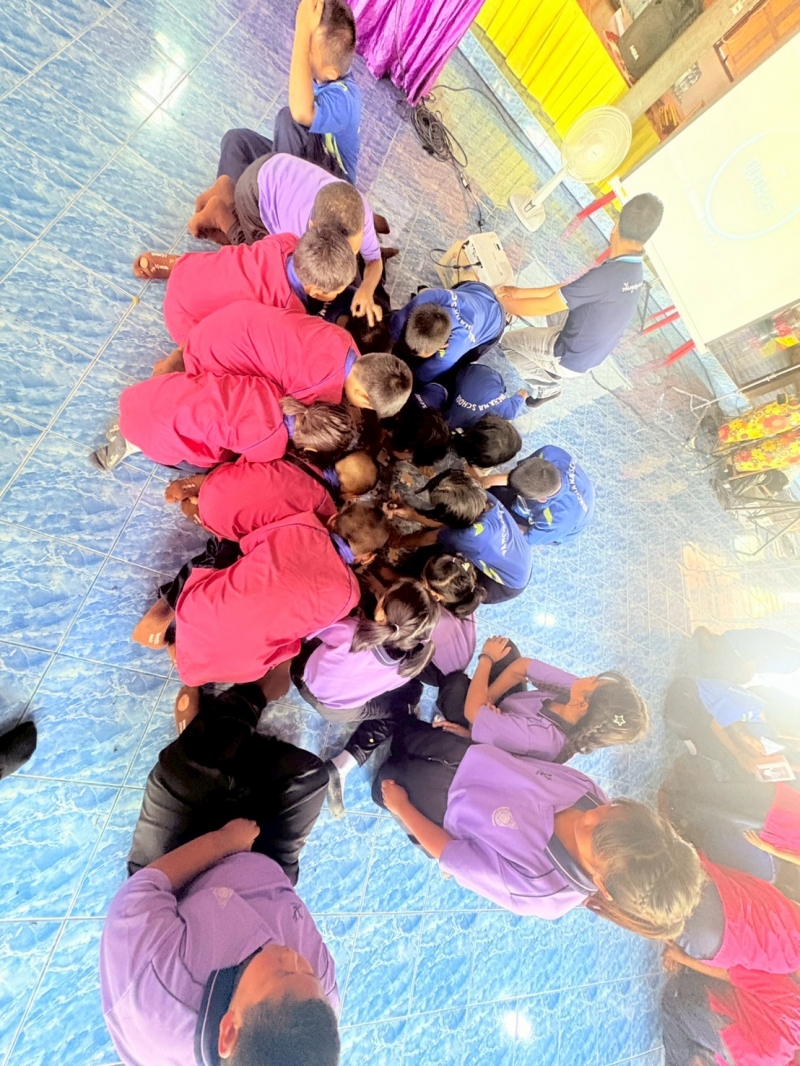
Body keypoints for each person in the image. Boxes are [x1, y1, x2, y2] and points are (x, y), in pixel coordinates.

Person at [373, 637, 702, 925]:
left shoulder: (541, 891)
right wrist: (474, 735)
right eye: (611, 810)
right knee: (406, 734)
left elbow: (450, 852)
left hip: (448, 809)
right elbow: (525, 761)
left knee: (385, 781)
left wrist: (403, 808)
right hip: (471, 756)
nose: (592, 813)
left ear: (602, 883)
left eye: (594, 831)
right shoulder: (592, 796)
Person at [100, 820, 341, 1066]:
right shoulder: (318, 1008)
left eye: (284, 972)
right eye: (310, 975)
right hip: (272, 867)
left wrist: (223, 841)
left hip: (183, 859)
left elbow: (145, 889)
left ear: (228, 1032)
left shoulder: (155, 991)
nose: (293, 956)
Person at [132, 503, 388, 686]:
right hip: (239, 662)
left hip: (197, 610)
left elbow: (246, 545)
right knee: (289, 644)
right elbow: (307, 631)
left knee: (226, 557)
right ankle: (187, 663)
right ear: (367, 558)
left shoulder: (304, 523)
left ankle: (171, 622)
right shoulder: (350, 595)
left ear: (332, 520)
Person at [128, 683, 329, 887]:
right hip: (257, 880)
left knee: (197, 758)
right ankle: (218, 740)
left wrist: (224, 842)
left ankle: (244, 701)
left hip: (168, 875)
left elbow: (146, 890)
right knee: (312, 777)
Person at [498, 193, 664, 401]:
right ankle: (546, 360)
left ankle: (546, 386)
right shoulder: (634, 269)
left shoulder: (605, 277)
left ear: (615, 226)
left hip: (569, 357)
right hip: (590, 351)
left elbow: (544, 306)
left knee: (509, 343)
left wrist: (501, 302)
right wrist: (518, 293)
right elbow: (569, 290)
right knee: (561, 301)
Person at [188, 154, 387, 324]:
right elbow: (270, 263)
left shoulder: (359, 215)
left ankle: (226, 191)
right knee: (256, 263)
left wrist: (366, 289)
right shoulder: (296, 231)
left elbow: (374, 260)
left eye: (354, 251)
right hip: (256, 190)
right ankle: (223, 214)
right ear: (313, 227)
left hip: (281, 167)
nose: (348, 258)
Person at [162, 301, 412, 417]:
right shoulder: (319, 386)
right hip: (210, 356)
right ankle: (174, 371)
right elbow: (280, 409)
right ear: (364, 398)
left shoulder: (344, 338)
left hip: (227, 317)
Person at [214, 0, 360, 186]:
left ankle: (276, 195)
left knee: (290, 120)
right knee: (236, 141)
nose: (300, 52)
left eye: (307, 49)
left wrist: (303, 30)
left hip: (333, 187)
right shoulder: (323, 77)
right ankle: (232, 199)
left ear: (331, 73)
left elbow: (301, 113)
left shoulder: (345, 99)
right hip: (307, 166)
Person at [137, 225, 357, 346]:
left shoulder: (286, 241)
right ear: (317, 292)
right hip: (184, 321)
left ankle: (171, 264)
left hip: (189, 269)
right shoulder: (288, 310)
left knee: (229, 265)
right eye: (336, 292)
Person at [434, 640, 648, 763]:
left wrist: (486, 658)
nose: (591, 677)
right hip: (500, 711)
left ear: (584, 705)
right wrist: (488, 698)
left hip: (489, 735)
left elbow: (473, 713)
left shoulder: (544, 739)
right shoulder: (578, 697)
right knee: (506, 649)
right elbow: (523, 666)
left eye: (595, 682)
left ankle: (461, 726)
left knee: (455, 685)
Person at [91, 379, 357, 471]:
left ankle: (125, 424)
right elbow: (225, 459)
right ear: (310, 449)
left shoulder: (274, 389)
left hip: (150, 393)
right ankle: (129, 442)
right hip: (156, 430)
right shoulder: (272, 446)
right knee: (207, 462)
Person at [388, 470, 533, 604]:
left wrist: (398, 542)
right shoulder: (482, 496)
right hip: (519, 555)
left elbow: (430, 537)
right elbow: (446, 526)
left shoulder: (466, 536)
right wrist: (412, 514)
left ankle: (401, 581)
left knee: (449, 585)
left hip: (506, 584)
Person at [164, 451, 377, 539]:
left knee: (242, 472)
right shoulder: (324, 512)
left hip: (222, 478)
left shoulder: (299, 456)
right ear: (351, 495)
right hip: (227, 521)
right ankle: (197, 509)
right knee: (225, 523)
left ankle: (202, 484)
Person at [391, 282, 506, 389]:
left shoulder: (451, 351)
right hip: (476, 289)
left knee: (460, 363)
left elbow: (423, 376)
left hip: (494, 321)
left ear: (443, 346)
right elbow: (395, 326)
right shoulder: (425, 298)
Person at [482, 446, 595, 546]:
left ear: (541, 499)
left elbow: (525, 535)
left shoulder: (556, 522)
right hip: (576, 494)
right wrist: (485, 481)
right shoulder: (549, 453)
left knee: (496, 527)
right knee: (496, 492)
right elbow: (520, 473)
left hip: (563, 527)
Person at [440, 362, 529, 430]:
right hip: (468, 372)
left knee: (501, 391)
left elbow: (523, 392)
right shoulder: (453, 421)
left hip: (481, 374)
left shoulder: (509, 412)